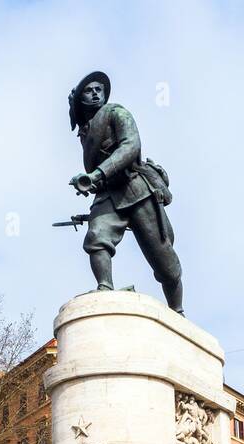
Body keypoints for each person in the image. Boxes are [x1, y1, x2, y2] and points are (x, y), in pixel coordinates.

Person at [67, 70, 183, 313]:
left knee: (166, 266)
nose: (96, 93)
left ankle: (177, 311)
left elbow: (131, 146)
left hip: (136, 189)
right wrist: (89, 182)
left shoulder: (116, 113)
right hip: (109, 193)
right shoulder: (85, 133)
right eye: (89, 90)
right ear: (79, 100)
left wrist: (97, 174)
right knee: (96, 237)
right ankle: (105, 287)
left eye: (99, 89)